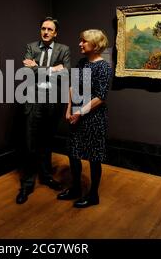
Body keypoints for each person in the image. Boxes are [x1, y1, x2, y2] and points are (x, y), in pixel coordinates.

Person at [16, 17, 71, 204]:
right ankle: (27, 183)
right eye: (43, 28)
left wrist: (38, 67)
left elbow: (65, 73)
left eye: (50, 29)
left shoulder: (63, 49)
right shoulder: (31, 47)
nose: (46, 32)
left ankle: (46, 176)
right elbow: (27, 72)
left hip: (53, 103)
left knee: (47, 142)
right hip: (33, 101)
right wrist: (52, 69)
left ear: (56, 33)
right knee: (30, 142)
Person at [57, 29, 113, 208]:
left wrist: (79, 112)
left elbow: (100, 96)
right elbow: (72, 86)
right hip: (76, 116)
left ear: (95, 45)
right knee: (74, 153)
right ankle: (75, 189)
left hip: (93, 119)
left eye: (84, 41)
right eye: (80, 40)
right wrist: (68, 109)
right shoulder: (81, 62)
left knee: (93, 156)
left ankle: (93, 195)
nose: (80, 44)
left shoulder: (104, 67)